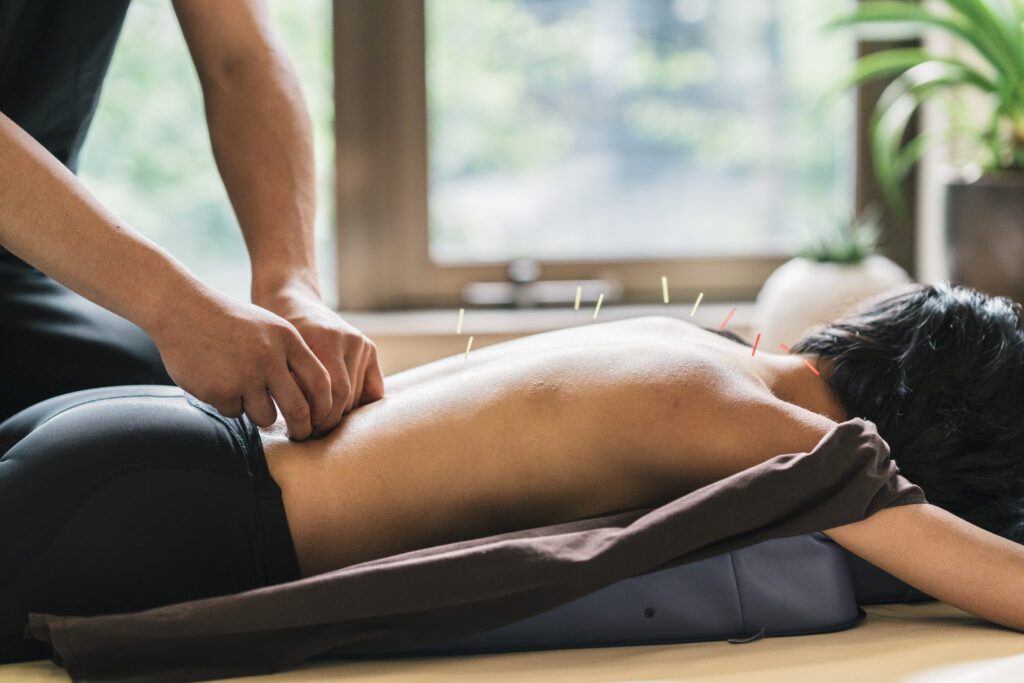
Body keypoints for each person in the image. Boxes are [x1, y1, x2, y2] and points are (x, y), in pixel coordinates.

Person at [3, 282, 1024, 663]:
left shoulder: (697, 345)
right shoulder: (761, 430)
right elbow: (1000, 582)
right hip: (171, 514)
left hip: (150, 443)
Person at [0, 0, 383, 440]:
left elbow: (239, 59)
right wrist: (173, 306)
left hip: (20, 276)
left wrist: (291, 287)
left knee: (203, 421)